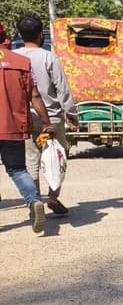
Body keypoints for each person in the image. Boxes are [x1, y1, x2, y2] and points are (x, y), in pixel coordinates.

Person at [13, 15, 76, 215]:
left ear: (20, 35)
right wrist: (71, 113)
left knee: (31, 160)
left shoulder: (14, 58)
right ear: (41, 35)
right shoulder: (49, 57)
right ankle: (53, 196)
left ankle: (34, 203)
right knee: (58, 157)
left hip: (25, 117)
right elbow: (62, 89)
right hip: (53, 117)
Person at [1, 36, 55, 234]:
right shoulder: (20, 63)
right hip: (12, 125)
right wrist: (47, 123)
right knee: (17, 169)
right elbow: (34, 96)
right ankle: (33, 201)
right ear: (4, 40)